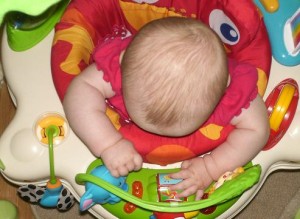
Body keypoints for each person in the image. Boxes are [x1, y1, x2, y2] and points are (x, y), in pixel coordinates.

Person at [63, 17, 269, 200]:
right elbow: (79, 91)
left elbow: (258, 130)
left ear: (223, 92)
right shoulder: (124, 68)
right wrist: (108, 144)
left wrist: (211, 168)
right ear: (123, 60)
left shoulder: (229, 93)